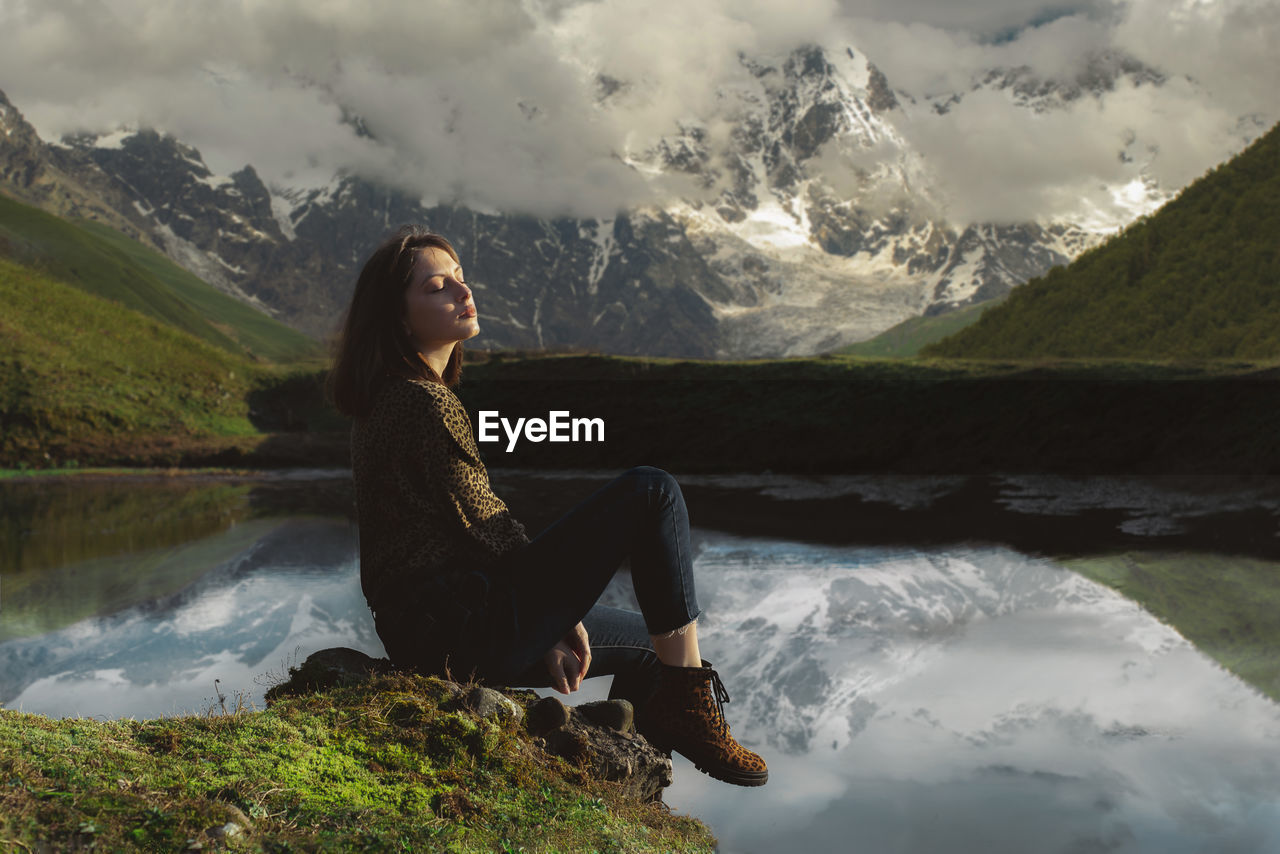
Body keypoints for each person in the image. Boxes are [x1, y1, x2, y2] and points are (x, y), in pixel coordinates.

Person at [328, 225, 767, 787]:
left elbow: (459, 532)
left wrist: (555, 619)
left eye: (462, 280)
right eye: (439, 287)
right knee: (651, 490)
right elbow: (485, 523)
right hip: (460, 622)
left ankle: (634, 790)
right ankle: (689, 704)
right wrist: (559, 614)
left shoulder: (388, 397)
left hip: (435, 626)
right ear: (396, 316)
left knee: (652, 647)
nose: (464, 294)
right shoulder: (419, 400)